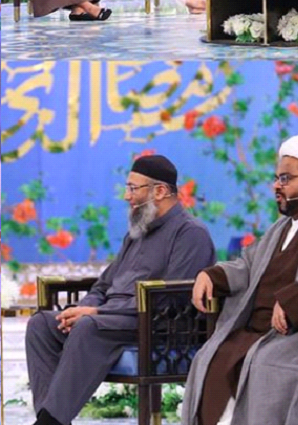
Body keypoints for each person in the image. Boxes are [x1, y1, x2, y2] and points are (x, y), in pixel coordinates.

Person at [180, 135, 298, 425]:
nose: (276, 186)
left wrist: (294, 299)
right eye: (276, 178)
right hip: (257, 330)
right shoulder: (281, 226)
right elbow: (248, 265)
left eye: (286, 179)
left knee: (266, 364)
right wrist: (211, 275)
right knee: (211, 356)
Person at [25, 155, 216, 425]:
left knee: (88, 326)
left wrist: (97, 313)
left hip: (155, 325)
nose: (127, 196)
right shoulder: (137, 232)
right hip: (112, 319)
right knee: (42, 325)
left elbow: (171, 301)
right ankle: (49, 419)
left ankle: (49, 422)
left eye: (133, 188)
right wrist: (83, 307)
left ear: (160, 191)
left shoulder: (190, 233)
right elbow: (104, 284)